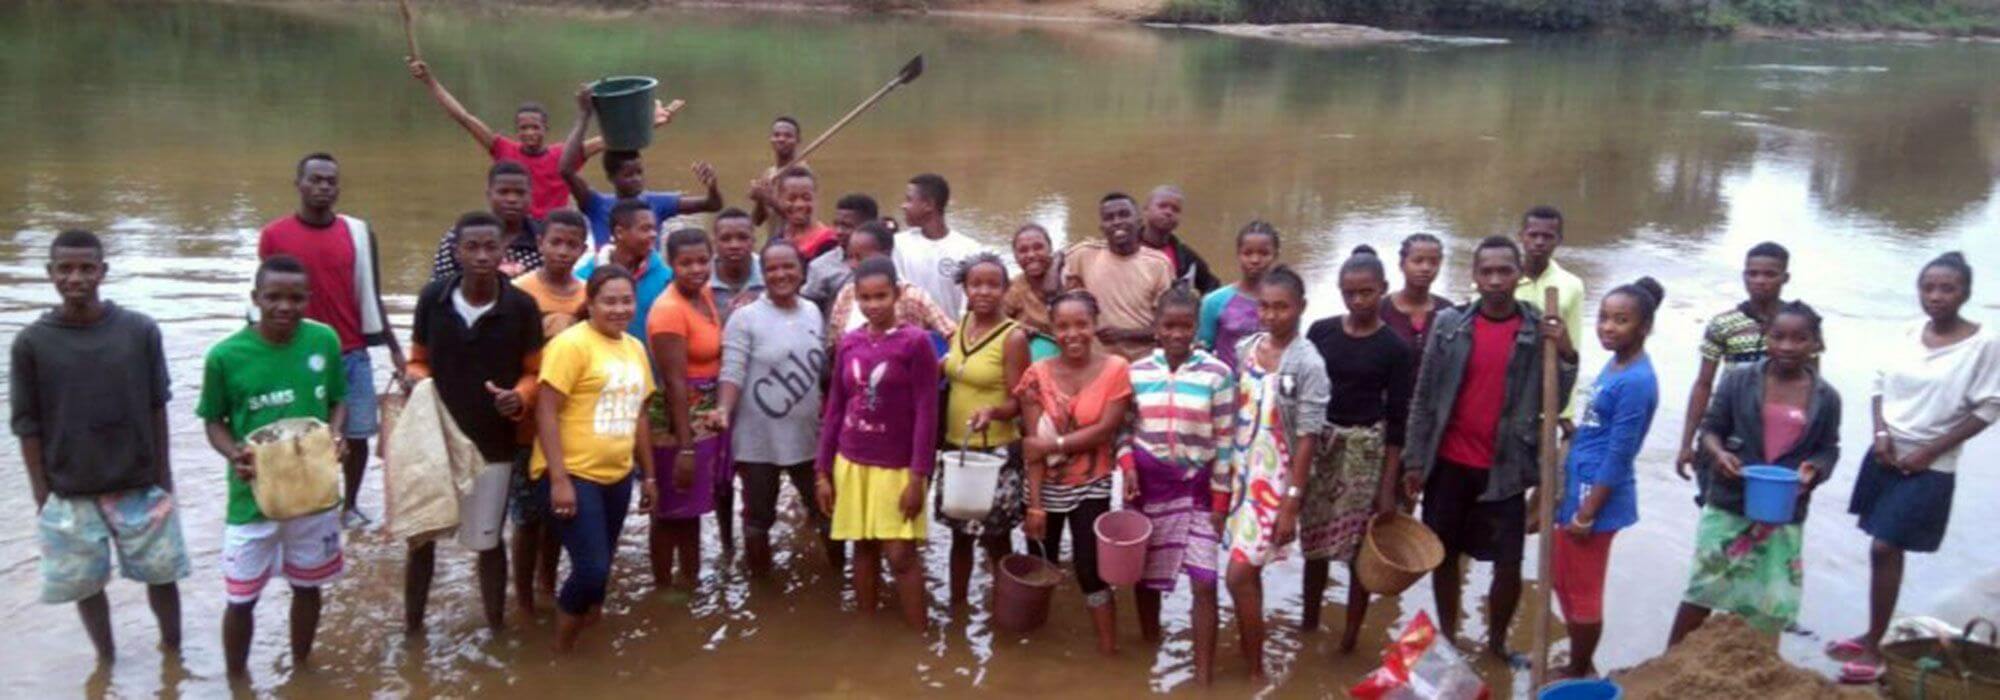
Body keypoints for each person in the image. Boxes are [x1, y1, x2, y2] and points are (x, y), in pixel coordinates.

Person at [12, 230, 187, 660]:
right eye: (65, 269)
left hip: (139, 483)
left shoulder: (139, 330)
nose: (76, 278)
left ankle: (173, 653)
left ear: (103, 272)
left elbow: (156, 405)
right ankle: (105, 661)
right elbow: (26, 424)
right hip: (70, 489)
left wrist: (164, 477)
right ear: (50, 274)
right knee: (87, 587)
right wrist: (41, 493)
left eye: (86, 268)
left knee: (162, 577)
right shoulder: (31, 343)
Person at [1403, 235, 1575, 662]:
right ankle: (1448, 636)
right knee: (1443, 556)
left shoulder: (1539, 330)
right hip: (1448, 463)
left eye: (1505, 271)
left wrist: (1566, 350)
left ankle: (1497, 644)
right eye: (1487, 272)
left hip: (1507, 467)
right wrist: (1414, 459)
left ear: (1518, 275)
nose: (1496, 280)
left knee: (1509, 563)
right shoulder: (1449, 325)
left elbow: (1558, 394)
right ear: (1475, 277)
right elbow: (1425, 396)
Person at [1830, 252, 1998, 683]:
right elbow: (1879, 385)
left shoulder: (1985, 344)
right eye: (1928, 288)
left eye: (1948, 288)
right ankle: (1874, 632)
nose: (1936, 297)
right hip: (1887, 453)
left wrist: (1930, 451)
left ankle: (1875, 651)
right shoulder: (1908, 332)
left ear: (1966, 293)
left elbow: (1989, 407)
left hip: (1931, 462)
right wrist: (1880, 434)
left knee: (1885, 546)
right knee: (1878, 543)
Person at [197, 255, 348, 677]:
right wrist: (234, 454)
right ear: (255, 299)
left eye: (296, 298)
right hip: (252, 498)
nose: (285, 307)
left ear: (308, 299)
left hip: (315, 494)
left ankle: (302, 668)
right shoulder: (225, 356)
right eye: (274, 297)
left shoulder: (324, 341)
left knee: (308, 586)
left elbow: (338, 400)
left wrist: (336, 435)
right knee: (241, 598)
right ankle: (236, 680)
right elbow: (213, 421)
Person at [403, 212, 545, 634]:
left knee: (487, 540)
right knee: (421, 540)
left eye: (490, 247)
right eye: (473, 247)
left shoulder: (521, 306)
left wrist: (518, 397)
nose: (482, 255)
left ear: (504, 251)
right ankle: (412, 630)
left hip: (494, 443)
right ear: (456, 251)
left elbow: (534, 372)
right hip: (434, 442)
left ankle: (497, 630)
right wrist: (415, 383)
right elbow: (417, 361)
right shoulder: (433, 298)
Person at [1668, 302, 1838, 646]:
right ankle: (1670, 662)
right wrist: (1719, 454)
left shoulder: (1826, 397)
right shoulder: (1738, 381)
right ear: (1766, 338)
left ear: (1816, 344)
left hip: (1784, 509)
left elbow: (1828, 449)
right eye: (1779, 337)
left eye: (1799, 339)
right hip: (1731, 499)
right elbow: (1712, 429)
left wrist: (1814, 470)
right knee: (1704, 586)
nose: (1788, 347)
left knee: (1770, 597)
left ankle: (1758, 671)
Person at [257, 152, 404, 529]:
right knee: (298, 434)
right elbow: (263, 298)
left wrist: (395, 349)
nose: (323, 187)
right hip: (294, 354)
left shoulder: (356, 232)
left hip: (351, 351)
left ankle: (349, 505)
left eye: (330, 181)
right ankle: (303, 502)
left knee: (355, 436)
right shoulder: (274, 235)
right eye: (316, 180)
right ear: (299, 184)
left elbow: (372, 293)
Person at [532, 266, 659, 652]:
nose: (619, 309)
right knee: (591, 569)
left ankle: (592, 648)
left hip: (617, 475)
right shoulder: (570, 345)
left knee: (601, 571)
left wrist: (649, 476)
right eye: (609, 301)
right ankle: (562, 654)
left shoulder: (634, 347)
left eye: (626, 301)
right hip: (572, 473)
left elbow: (639, 414)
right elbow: (545, 411)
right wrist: (558, 480)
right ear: (590, 303)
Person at [1301, 246, 1415, 653]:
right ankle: (1308, 625)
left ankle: (1349, 639)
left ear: (1383, 290)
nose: (1358, 301)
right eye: (1350, 293)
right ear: (1340, 292)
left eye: (1367, 292)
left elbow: (1398, 422)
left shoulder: (1396, 348)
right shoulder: (1321, 332)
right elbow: (1302, 395)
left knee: (1357, 554)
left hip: (1366, 451)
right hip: (1322, 447)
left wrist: (1389, 487)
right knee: (1313, 543)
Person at [816, 258, 940, 630]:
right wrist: (822, 471)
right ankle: (867, 633)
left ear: (897, 294)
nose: (873, 305)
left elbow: (926, 414)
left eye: (881, 296)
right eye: (865, 298)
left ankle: (919, 636)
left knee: (901, 554)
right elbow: (835, 408)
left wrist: (918, 478)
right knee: (863, 548)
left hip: (898, 466)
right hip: (852, 460)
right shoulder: (849, 342)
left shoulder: (916, 343)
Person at [1217, 266, 1327, 683]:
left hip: (1276, 484)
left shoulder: (1308, 362)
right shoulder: (1247, 348)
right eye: (1265, 306)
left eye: (1282, 307)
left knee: (1238, 576)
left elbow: (1308, 437)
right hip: (1243, 475)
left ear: (1301, 308)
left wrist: (1291, 504)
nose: (1272, 315)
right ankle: (1253, 659)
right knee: (1249, 575)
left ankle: (1255, 670)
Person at [1552, 277, 1664, 679]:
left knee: (1582, 590)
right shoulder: (1616, 362)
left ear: (1644, 327)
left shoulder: (1637, 381)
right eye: (1603, 318)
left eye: (1621, 320)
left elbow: (1620, 454)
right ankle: (1578, 662)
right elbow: (1598, 422)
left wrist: (1587, 512)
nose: (1608, 327)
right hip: (1578, 485)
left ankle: (1579, 670)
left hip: (1595, 497)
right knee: (1561, 580)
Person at [1122, 288, 1233, 685]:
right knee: (1143, 574)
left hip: (1198, 489)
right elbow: (1123, 429)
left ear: (1196, 327)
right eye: (1168, 326)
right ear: (1155, 328)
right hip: (1147, 487)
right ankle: (1148, 655)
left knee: (1205, 581)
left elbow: (1225, 442)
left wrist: (1221, 503)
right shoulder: (1136, 372)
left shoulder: (1217, 374)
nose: (1177, 334)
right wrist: (1127, 465)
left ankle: (1203, 678)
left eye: (1185, 326)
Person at [407, 58, 673, 219]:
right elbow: (463, 117)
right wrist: (431, 82)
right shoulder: (503, 150)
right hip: (515, 225)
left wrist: (649, 122)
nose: (529, 134)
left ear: (545, 129)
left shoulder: (563, 155)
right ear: (517, 131)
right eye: (523, 128)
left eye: (535, 127)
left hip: (551, 230)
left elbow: (613, 138)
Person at [1019, 290, 1135, 656]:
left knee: (1090, 569)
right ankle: (1033, 651)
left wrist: (1054, 446)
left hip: (1092, 484)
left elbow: (1106, 430)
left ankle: (1108, 650)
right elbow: (1030, 445)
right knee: (1041, 565)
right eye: (1063, 326)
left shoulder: (1116, 369)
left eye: (1081, 324)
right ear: (1052, 329)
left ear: (1095, 324)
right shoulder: (1036, 374)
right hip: (1044, 488)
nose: (1073, 333)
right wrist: (1035, 505)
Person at [719, 240, 833, 577]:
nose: (781, 274)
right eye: (772, 269)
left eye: (788, 267)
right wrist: (724, 410)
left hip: (807, 435)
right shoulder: (744, 318)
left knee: (826, 509)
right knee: (758, 518)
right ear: (762, 274)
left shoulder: (812, 310)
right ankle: (761, 592)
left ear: (802, 271)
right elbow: (732, 371)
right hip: (757, 438)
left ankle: (838, 583)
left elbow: (821, 371)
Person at [935, 253, 1031, 609]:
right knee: (960, 537)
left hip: (997, 452)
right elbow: (951, 369)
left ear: (1006, 289)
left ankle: (1005, 608)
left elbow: (1020, 401)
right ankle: (956, 611)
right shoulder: (961, 327)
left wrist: (993, 411)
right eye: (976, 284)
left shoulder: (1013, 337)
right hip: (956, 448)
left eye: (993, 285)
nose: (984, 292)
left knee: (996, 538)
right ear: (965, 288)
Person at [509, 209, 591, 614]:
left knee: (560, 510)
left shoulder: (589, 294)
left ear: (582, 249)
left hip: (572, 423)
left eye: (571, 244)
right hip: (526, 423)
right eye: (555, 242)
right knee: (526, 518)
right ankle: (523, 599)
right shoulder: (518, 292)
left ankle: (547, 584)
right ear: (540, 243)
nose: (562, 251)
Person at [647, 229, 726, 592]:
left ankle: (691, 582)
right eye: (685, 263)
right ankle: (665, 588)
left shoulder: (704, 296)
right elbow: (674, 383)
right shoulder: (668, 311)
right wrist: (686, 448)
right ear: (671, 265)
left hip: (702, 416)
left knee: (690, 509)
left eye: (702, 261)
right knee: (669, 512)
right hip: (677, 423)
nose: (695, 269)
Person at [1676, 243, 1792, 485]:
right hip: (1727, 429)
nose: (1760, 281)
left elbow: (1813, 385)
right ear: (1744, 277)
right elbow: (1703, 384)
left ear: (1785, 278)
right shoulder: (1724, 324)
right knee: (1716, 505)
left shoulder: (1800, 325)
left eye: (1770, 274)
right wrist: (1686, 443)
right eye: (1753, 273)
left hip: (1779, 432)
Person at [559, 86, 720, 248]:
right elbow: (565, 169)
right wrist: (584, 117)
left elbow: (712, 205)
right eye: (629, 175)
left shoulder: (657, 202)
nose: (637, 179)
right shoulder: (596, 204)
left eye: (639, 173)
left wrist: (712, 187)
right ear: (611, 177)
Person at [1062, 193, 1175, 360]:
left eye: (1124, 215)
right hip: (1096, 364)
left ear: (1139, 221)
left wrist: (1125, 335)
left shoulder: (1159, 265)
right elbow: (1053, 294)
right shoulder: (1083, 255)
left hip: (1142, 366)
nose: (1116, 222)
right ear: (1101, 227)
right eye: (1109, 218)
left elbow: (1169, 327)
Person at [825, 222, 956, 343]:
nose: (852, 265)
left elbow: (951, 333)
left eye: (859, 257)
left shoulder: (912, 297)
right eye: (850, 257)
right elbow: (835, 343)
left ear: (885, 254)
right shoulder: (847, 293)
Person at [1516, 206, 1586, 424]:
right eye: (1533, 235)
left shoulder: (1571, 285)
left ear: (1559, 240)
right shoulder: (1499, 279)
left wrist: (1565, 413)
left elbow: (1572, 350)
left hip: (1542, 389)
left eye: (1547, 236)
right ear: (1521, 237)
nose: (1539, 242)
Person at [430, 161, 544, 282]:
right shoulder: (458, 236)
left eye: (520, 193)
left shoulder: (544, 240)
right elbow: (439, 288)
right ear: (489, 195)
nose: (512, 199)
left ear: (530, 196)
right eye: (503, 192)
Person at [576, 200, 671, 342]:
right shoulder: (584, 277)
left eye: (654, 229)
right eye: (645, 229)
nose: (653, 235)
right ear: (619, 232)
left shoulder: (666, 277)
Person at [895, 173, 984, 318]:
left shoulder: (969, 250)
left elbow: (969, 303)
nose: (903, 206)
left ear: (929, 205)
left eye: (909, 200)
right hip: (913, 337)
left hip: (953, 335)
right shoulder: (898, 245)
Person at [1198, 221, 1279, 369]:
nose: (1255, 260)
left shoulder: (1284, 304)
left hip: (1271, 387)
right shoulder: (1214, 302)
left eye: (1264, 253)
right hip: (1227, 387)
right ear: (1238, 255)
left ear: (1275, 255)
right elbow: (1202, 354)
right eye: (1248, 253)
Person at [1381, 233, 1453, 374]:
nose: (1426, 268)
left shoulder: (1448, 311)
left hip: (1433, 394)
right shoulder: (1381, 309)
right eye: (1418, 261)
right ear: (1402, 264)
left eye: (1433, 262)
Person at [1138, 185, 1221, 294]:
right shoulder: (1125, 246)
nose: (1168, 212)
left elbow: (1212, 286)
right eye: (1162, 206)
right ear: (1146, 209)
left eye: (1175, 209)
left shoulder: (1185, 256)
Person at [802, 193, 878, 309]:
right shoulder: (820, 266)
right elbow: (808, 309)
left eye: (847, 226)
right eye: (836, 224)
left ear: (870, 226)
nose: (839, 231)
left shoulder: (893, 257)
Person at [1003, 223, 1062, 360]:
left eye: (1038, 247)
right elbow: (996, 322)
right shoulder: (1013, 288)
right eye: (1023, 250)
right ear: (1015, 257)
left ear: (1050, 248)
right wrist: (1018, 327)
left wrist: (1056, 265)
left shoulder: (1069, 278)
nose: (1031, 255)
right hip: (1030, 361)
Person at [768, 166, 840, 261]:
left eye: (806, 198)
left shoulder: (830, 242)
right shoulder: (776, 241)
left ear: (816, 199)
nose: (799, 205)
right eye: (791, 198)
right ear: (780, 199)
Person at [747, 116, 802, 232]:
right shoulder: (768, 173)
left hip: (796, 242)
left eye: (788, 136)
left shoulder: (802, 174)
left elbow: (799, 217)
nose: (781, 139)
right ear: (771, 139)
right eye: (776, 135)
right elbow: (757, 220)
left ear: (798, 140)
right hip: (774, 241)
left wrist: (768, 198)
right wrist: (760, 199)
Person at [710, 208, 764, 320]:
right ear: (714, 243)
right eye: (725, 239)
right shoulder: (699, 276)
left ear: (753, 240)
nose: (734, 245)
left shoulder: (771, 271)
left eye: (742, 237)